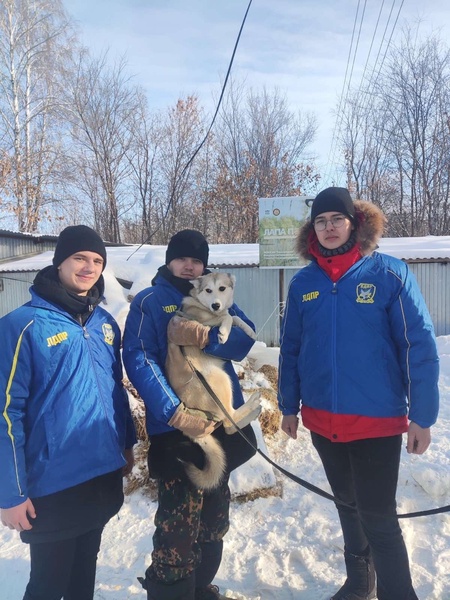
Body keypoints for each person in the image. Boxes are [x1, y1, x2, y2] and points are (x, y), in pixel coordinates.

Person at [277, 187, 439, 600]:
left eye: (337, 219)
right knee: (347, 507)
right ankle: (359, 582)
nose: (329, 227)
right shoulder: (303, 284)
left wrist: (422, 416)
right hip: (320, 420)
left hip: (376, 422)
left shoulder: (388, 273)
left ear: (355, 222)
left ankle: (398, 593)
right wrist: (288, 406)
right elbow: (291, 348)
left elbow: (417, 346)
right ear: (312, 228)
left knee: (379, 518)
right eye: (320, 220)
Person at [0, 225, 136, 600]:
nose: (88, 267)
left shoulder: (105, 323)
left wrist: (126, 445)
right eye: (79, 257)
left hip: (101, 475)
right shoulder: (21, 326)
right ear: (60, 262)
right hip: (53, 483)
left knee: (83, 578)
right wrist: (10, 493)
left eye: (96, 260)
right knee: (47, 584)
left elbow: (114, 390)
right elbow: (5, 413)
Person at [122, 229, 258, 600]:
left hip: (218, 423)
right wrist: (173, 412)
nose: (188, 265)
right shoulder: (150, 301)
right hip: (177, 429)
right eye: (182, 258)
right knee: (177, 527)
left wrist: (206, 337)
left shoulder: (214, 291)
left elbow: (245, 339)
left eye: (196, 260)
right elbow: (139, 356)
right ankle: (170, 592)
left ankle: (201, 587)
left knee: (214, 520)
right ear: (169, 260)